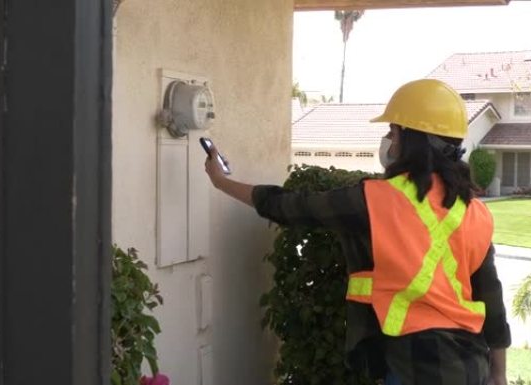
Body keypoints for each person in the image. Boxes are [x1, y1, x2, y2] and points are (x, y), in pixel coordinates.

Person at [204, 79, 511, 385]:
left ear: (414, 139)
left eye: (393, 132)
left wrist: (221, 181)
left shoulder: (378, 200)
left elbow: (289, 206)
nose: (389, 142)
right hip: (472, 364)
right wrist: (499, 374)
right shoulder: (476, 212)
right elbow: (490, 295)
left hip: (416, 366)